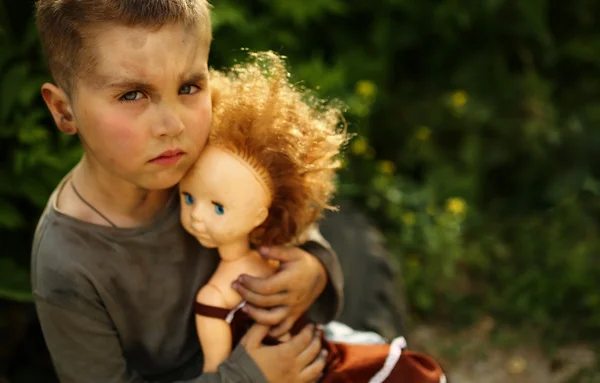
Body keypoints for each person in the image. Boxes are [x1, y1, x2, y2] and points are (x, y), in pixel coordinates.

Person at [30, 1, 344, 382]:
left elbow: (282, 218)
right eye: (132, 95)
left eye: (189, 87)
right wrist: (247, 378)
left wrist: (313, 267)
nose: (171, 125)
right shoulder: (65, 261)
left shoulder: (207, 156)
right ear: (64, 110)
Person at [180, 51, 447, 383]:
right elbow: (215, 369)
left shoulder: (271, 252)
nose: (197, 217)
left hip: (317, 358)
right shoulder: (213, 299)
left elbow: (307, 240)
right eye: (187, 198)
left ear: (263, 214)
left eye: (217, 207)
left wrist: (315, 266)